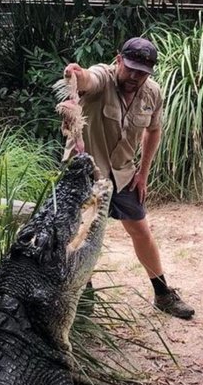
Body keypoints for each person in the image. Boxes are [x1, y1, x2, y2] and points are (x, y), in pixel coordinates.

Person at [60, 37, 195, 320]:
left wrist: (143, 173)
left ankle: (163, 294)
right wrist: (77, 73)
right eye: (130, 68)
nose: (135, 76)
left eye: (142, 72)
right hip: (87, 174)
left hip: (124, 175)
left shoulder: (152, 93)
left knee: (141, 232)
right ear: (118, 59)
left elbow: (153, 131)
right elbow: (87, 80)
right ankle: (82, 298)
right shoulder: (103, 78)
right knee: (79, 238)